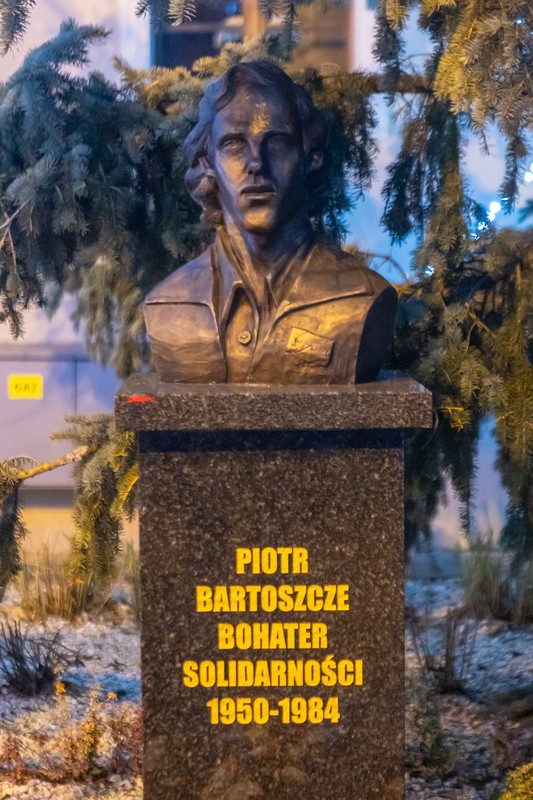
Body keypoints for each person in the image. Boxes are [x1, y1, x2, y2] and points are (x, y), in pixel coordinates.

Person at [143, 61, 397, 384]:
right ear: (207, 164)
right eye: (234, 143)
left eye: (276, 141)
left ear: (311, 158)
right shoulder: (169, 303)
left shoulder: (360, 298)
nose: (256, 163)